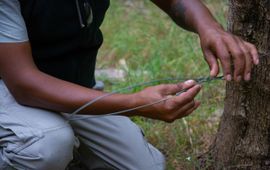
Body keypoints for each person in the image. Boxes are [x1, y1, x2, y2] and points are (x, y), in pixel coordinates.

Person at [0, 0, 259, 169]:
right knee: (47, 145)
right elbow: (24, 84)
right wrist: (135, 103)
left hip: (71, 85)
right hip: (10, 87)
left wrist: (209, 27)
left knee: (145, 166)